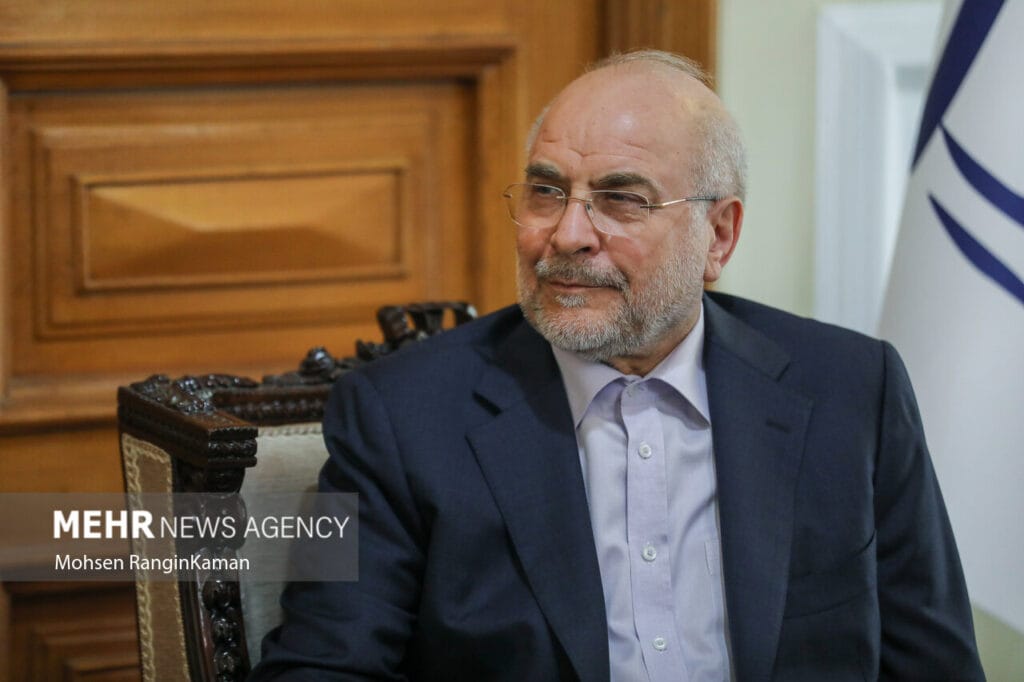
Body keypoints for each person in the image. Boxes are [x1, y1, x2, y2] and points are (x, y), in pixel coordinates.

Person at [252, 50, 984, 681]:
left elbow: (934, 665)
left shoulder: (853, 392)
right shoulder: (394, 415)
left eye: (622, 200)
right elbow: (320, 666)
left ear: (718, 236)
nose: (567, 234)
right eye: (547, 192)